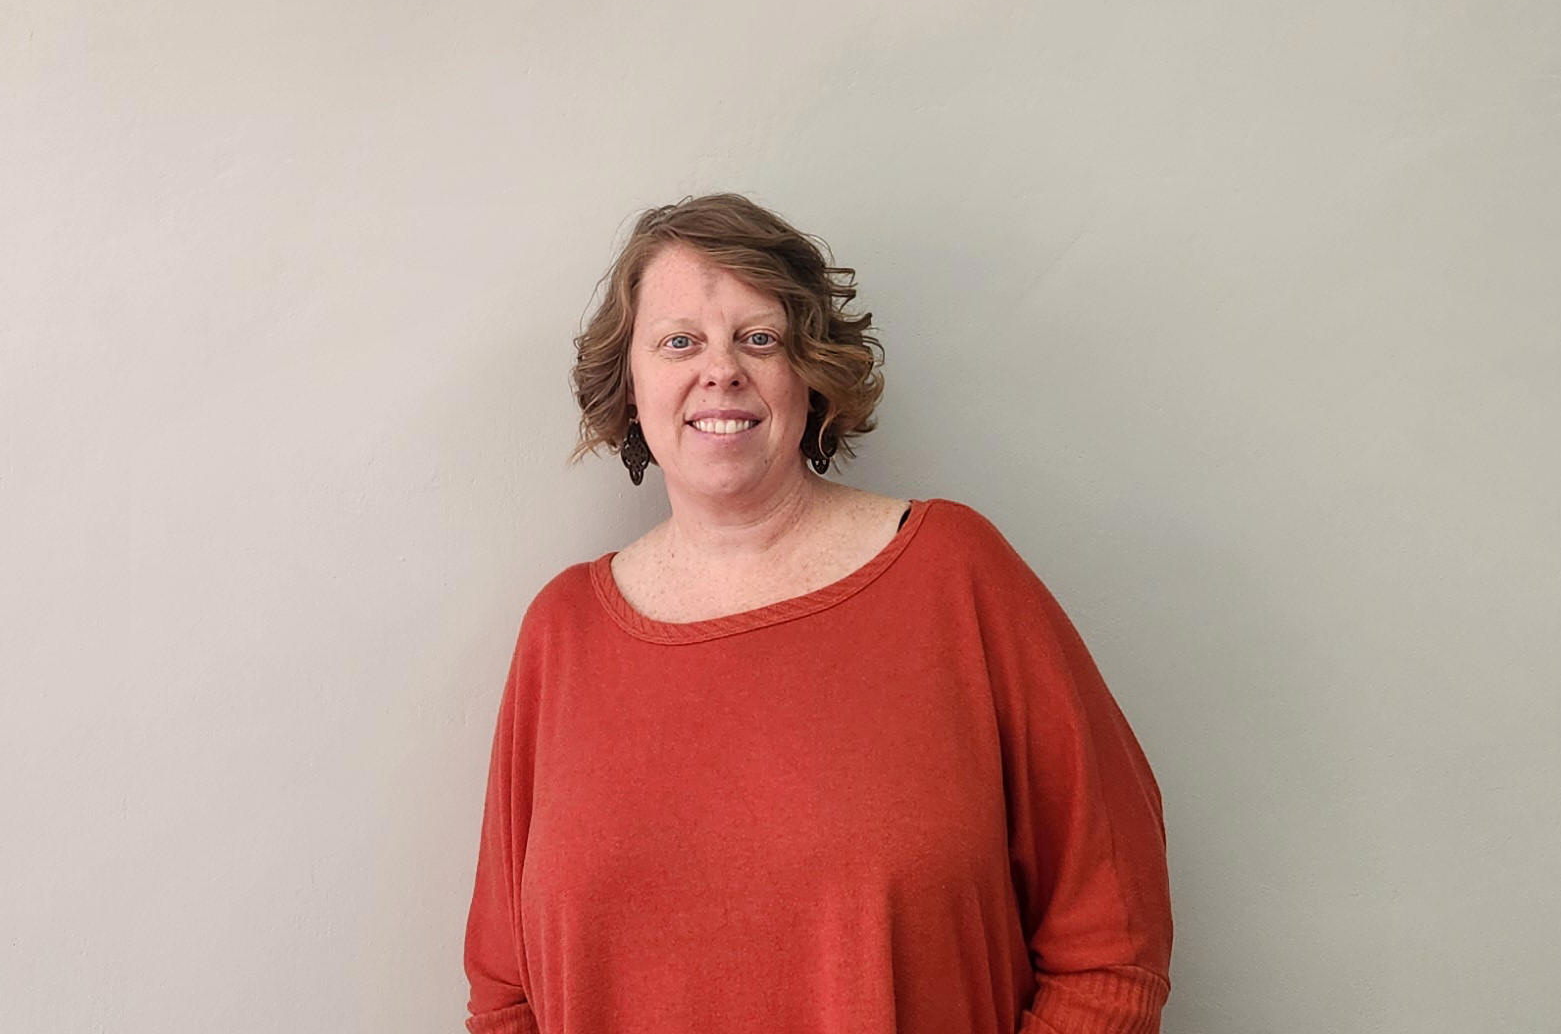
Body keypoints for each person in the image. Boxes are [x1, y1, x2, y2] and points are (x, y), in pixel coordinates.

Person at [461, 193, 1174, 1034]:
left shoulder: (955, 575)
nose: (720, 369)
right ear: (630, 384)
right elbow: (505, 993)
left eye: (759, 339)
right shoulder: (563, 632)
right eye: (679, 341)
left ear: (810, 371)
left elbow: (1112, 937)